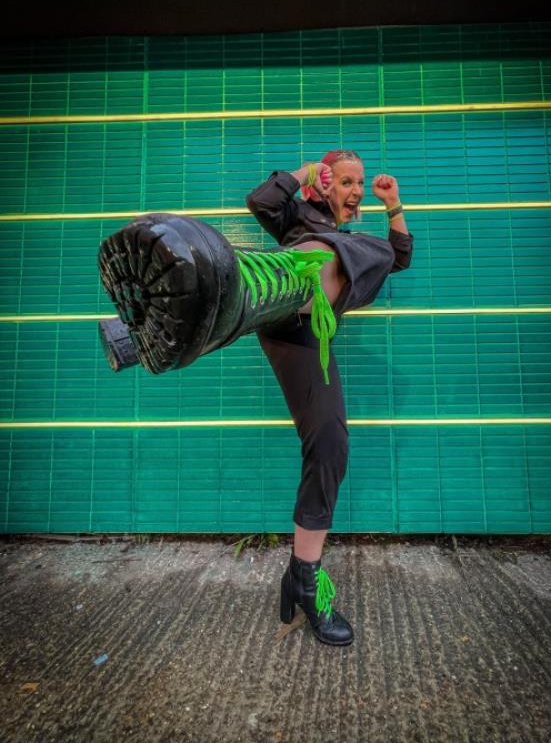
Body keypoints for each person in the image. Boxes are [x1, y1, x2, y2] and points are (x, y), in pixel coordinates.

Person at [97, 149, 413, 648]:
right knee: (318, 255)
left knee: (331, 444)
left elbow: (401, 255)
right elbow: (261, 199)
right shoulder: (299, 214)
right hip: (279, 305)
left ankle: (303, 577)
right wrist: (305, 174)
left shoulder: (352, 239)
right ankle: (222, 283)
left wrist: (393, 204)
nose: (356, 192)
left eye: (360, 184)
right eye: (346, 182)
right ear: (326, 185)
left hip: (308, 330)